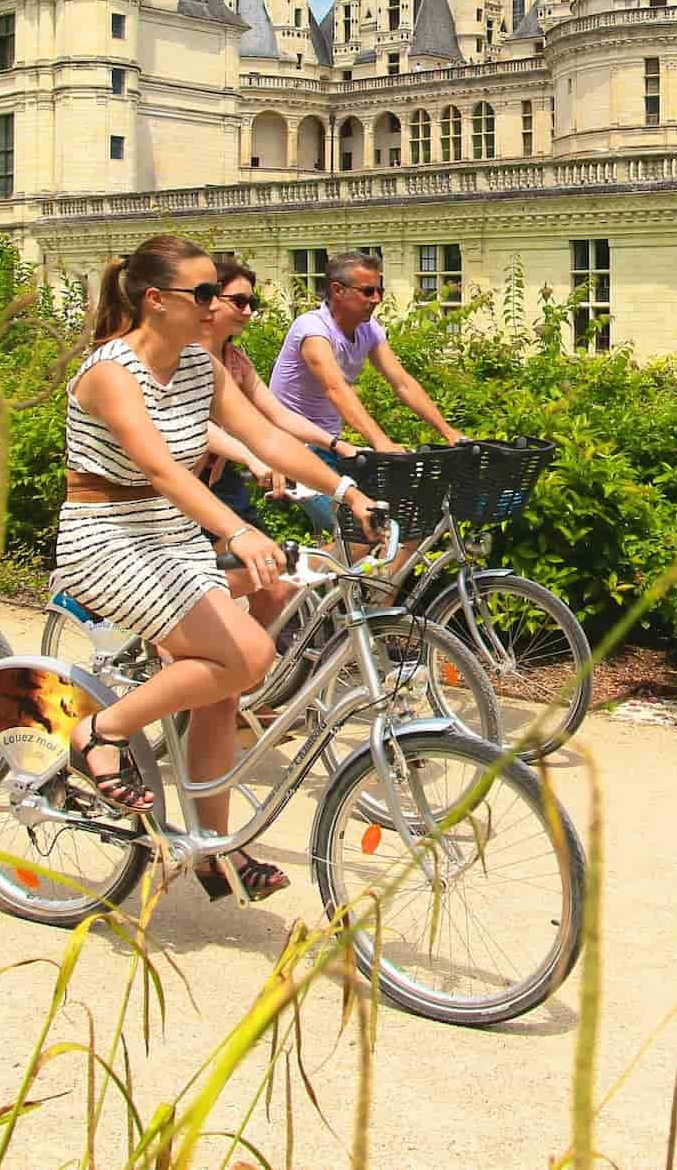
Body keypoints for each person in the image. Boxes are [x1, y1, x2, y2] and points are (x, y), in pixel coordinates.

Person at [55, 234, 373, 902]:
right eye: (202, 294)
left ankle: (212, 852)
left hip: (170, 536)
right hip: (106, 537)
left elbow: (267, 438)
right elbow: (162, 468)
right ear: (154, 299)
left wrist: (345, 490)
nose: (215, 305)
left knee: (223, 683)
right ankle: (99, 732)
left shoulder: (200, 367)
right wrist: (237, 526)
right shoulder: (111, 370)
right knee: (250, 653)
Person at [194, 254, 366, 643]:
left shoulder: (234, 359)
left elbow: (275, 415)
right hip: (178, 489)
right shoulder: (186, 359)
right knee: (199, 599)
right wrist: (251, 457)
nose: (249, 311)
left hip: (220, 487)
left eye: (254, 303)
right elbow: (194, 423)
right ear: (209, 299)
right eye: (240, 301)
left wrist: (334, 443)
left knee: (274, 584)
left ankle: (246, 678)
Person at [267, 250, 465, 536]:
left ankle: (348, 578)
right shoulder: (312, 329)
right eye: (368, 291)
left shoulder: (369, 329)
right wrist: (380, 441)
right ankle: (309, 579)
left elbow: (402, 383)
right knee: (362, 532)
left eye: (379, 290)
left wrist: (448, 432)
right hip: (294, 450)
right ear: (337, 290)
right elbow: (335, 388)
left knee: (406, 524)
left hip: (332, 446)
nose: (377, 299)